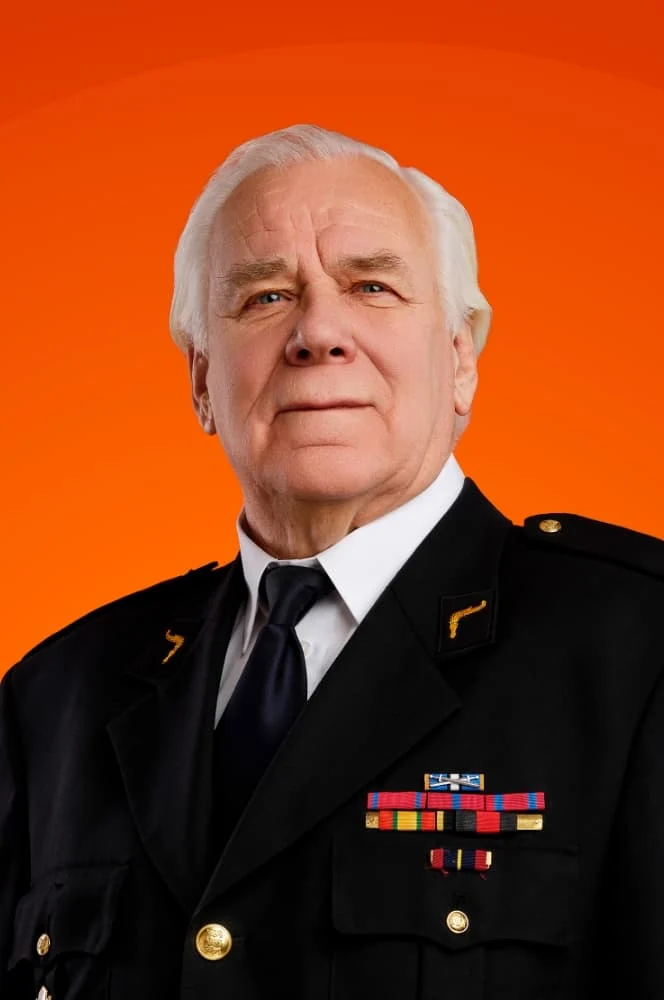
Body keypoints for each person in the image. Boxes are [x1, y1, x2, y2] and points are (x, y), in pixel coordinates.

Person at [1, 123, 663, 1000]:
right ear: (201, 380)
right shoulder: (59, 698)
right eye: (265, 296)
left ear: (460, 359)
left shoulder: (637, 647)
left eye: (372, 286)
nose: (317, 331)